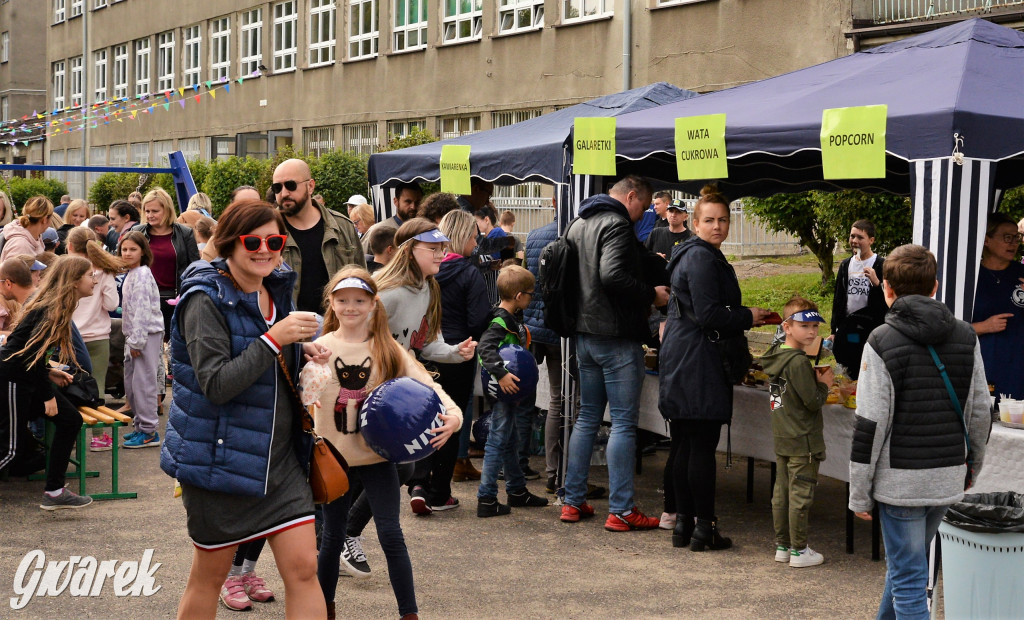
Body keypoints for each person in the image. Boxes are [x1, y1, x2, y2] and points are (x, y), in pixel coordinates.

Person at [160, 201, 327, 619]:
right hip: (221, 462)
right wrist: (276, 340)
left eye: (275, 241)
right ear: (229, 244)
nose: (265, 250)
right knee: (208, 577)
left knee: (306, 569)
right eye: (253, 241)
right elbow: (216, 384)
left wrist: (298, 349)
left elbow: (261, 349)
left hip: (279, 460)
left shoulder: (276, 286)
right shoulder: (204, 299)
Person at [309, 266, 460, 620]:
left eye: (359, 300)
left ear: (373, 304)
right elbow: (302, 399)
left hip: (378, 459)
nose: (351, 307)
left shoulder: (387, 348)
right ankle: (324, 610)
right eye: (342, 300)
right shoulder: (320, 348)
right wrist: (307, 382)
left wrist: (453, 416)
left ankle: (409, 614)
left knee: (392, 535)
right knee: (331, 539)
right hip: (334, 462)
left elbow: (428, 385)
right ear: (331, 303)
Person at [849, 243, 991, 619]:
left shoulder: (881, 340)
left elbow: (869, 424)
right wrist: (972, 466)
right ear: (936, 285)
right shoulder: (966, 336)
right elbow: (980, 412)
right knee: (905, 570)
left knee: (909, 579)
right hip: (945, 476)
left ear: (887, 289)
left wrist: (859, 491)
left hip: (901, 484)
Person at [658, 185, 770, 549]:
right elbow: (709, 315)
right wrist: (748, 316)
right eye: (709, 220)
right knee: (699, 446)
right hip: (698, 360)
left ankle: (685, 525)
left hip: (684, 355)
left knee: (686, 445)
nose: (717, 226)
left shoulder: (693, 254)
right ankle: (702, 526)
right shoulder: (702, 257)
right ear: (694, 222)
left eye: (723, 220)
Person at [560, 175, 671, 531]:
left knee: (587, 416)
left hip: (583, 333)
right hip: (616, 336)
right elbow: (612, 276)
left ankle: (572, 500)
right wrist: (651, 295)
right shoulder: (617, 224)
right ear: (633, 196)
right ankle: (621, 509)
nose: (641, 216)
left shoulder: (579, 222)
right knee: (623, 422)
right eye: (642, 207)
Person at [375, 218, 477, 515]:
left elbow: (428, 344)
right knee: (375, 473)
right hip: (371, 391)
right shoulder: (387, 294)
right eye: (432, 248)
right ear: (408, 251)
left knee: (398, 472)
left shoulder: (430, 289)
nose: (440, 254)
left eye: (442, 247)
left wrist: (457, 352)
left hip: (398, 391)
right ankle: (340, 534)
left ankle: (345, 533)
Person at [0, 255, 96, 509]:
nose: (94, 281)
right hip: (12, 377)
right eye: (90, 276)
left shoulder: (59, 305)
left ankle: (54, 491)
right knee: (11, 450)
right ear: (74, 281)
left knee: (70, 420)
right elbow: (26, 355)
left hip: (27, 375)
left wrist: (50, 374)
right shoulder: (52, 307)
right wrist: (47, 395)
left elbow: (33, 351)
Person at [411, 210, 490, 502]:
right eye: (473, 236)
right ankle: (440, 491)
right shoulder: (470, 272)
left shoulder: (425, 270)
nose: (476, 242)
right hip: (459, 351)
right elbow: (477, 319)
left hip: (423, 350)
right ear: (463, 237)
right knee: (450, 421)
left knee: (423, 417)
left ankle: (418, 482)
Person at [759, 296, 833, 567]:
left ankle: (783, 545)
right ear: (787, 327)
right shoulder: (798, 362)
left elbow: (776, 400)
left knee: (782, 492)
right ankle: (799, 550)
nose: (812, 332)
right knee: (800, 494)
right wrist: (823, 384)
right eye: (805, 326)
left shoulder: (776, 358)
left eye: (815, 326)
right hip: (803, 438)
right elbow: (812, 402)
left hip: (783, 434)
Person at [476, 265, 549, 517]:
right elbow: (485, 349)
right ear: (519, 296)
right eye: (530, 293)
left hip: (511, 392)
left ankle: (517, 490)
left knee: (509, 441)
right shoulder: (501, 320)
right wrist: (502, 374)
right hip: (504, 391)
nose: (532, 297)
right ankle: (486, 498)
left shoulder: (511, 317)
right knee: (497, 441)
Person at [272, 159, 365, 312]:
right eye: (277, 187)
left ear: (310, 186)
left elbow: (361, 281)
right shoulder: (266, 230)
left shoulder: (342, 227)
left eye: (291, 185)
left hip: (337, 327)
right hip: (285, 329)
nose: (284, 193)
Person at [67, 227, 123, 451]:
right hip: (98, 337)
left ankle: (70, 436)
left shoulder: (67, 270)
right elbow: (111, 305)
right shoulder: (103, 272)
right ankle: (98, 437)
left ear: (70, 247)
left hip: (71, 336)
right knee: (97, 384)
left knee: (69, 384)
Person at [522, 203, 565, 494]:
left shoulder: (534, 235)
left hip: (532, 326)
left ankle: (516, 462)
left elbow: (527, 281)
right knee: (559, 400)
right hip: (558, 330)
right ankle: (555, 471)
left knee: (524, 400)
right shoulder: (570, 235)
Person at [131, 187, 200, 338]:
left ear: (167, 210)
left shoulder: (185, 234)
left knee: (173, 349)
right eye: (147, 211)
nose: (150, 215)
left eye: (155, 211)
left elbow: (195, 267)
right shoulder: (137, 232)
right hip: (145, 299)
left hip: (175, 299)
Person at [971, 212, 1024, 399]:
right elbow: (949, 327)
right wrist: (983, 327)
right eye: (1007, 237)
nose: (1013, 243)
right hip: (980, 370)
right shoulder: (969, 277)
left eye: (1016, 238)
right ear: (986, 240)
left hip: (1018, 371)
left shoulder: (1022, 274)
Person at [119, 231, 164, 448]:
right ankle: (140, 425)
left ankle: (148, 432)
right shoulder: (132, 273)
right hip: (134, 336)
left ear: (143, 252)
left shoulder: (143, 274)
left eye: (132, 249)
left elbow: (142, 310)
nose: (127, 253)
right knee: (132, 383)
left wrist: (137, 341)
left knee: (144, 383)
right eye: (124, 249)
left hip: (146, 335)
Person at [830, 220, 887, 379]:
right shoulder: (846, 265)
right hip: (849, 327)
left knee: (869, 368)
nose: (854, 241)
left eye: (860, 237)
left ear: (871, 240)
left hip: (871, 328)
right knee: (849, 365)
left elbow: (889, 301)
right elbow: (839, 298)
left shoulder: (881, 265)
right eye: (852, 236)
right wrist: (834, 329)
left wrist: (877, 283)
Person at [361, 182, 423, 253]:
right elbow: (360, 258)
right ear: (396, 201)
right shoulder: (378, 230)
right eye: (408, 202)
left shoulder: (425, 230)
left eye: (417, 202)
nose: (413, 207)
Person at [1, 196, 52, 262]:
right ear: (45, 219)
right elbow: (11, 272)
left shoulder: (34, 237)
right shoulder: (20, 245)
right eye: (51, 217)